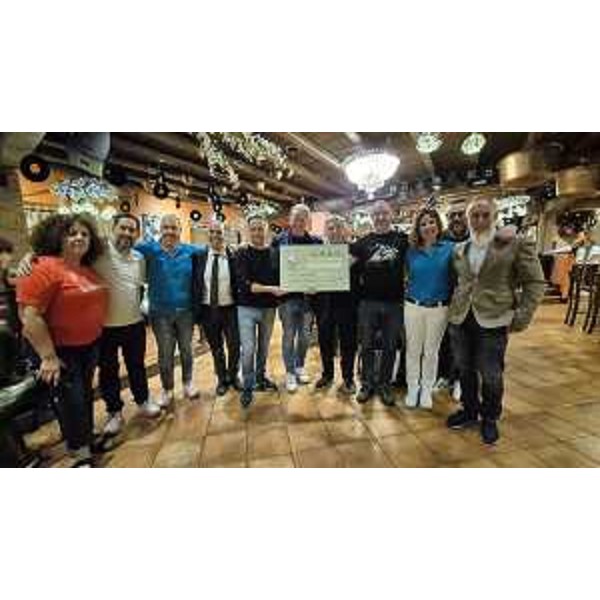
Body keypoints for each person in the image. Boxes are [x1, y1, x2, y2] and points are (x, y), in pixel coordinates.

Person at [446, 196, 545, 445]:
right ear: (468, 219)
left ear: (495, 217)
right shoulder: (459, 249)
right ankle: (469, 410)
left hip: (495, 319)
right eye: (474, 215)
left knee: (491, 374)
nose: (479, 220)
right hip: (460, 318)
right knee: (465, 370)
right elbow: (461, 282)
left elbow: (535, 282)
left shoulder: (515, 244)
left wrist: (522, 315)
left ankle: (490, 417)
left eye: (485, 215)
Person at [17, 214, 108, 467]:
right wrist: (48, 357)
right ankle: (80, 453)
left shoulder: (86, 268)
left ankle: (86, 438)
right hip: (59, 351)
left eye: (84, 234)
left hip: (88, 346)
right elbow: (30, 316)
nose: (79, 237)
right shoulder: (42, 267)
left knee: (85, 395)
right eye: (72, 233)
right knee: (71, 401)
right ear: (57, 236)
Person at [97, 214, 161, 437]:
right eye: (123, 228)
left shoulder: (138, 258)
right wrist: (31, 257)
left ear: (137, 234)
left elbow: (140, 286)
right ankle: (114, 411)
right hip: (104, 325)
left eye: (132, 230)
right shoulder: (98, 253)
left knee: (136, 365)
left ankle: (143, 400)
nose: (127, 233)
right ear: (112, 228)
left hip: (134, 322)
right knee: (108, 370)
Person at [135, 214, 201, 408]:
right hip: (160, 313)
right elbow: (128, 247)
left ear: (180, 230)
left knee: (187, 350)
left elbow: (210, 250)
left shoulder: (190, 251)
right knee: (165, 353)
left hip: (186, 312)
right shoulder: (149, 249)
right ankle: (167, 389)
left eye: (174, 228)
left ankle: (188, 382)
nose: (170, 231)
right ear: (160, 229)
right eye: (166, 227)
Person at [351, 200, 408, 406]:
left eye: (384, 213)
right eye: (376, 214)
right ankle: (367, 384)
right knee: (366, 345)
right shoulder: (362, 242)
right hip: (368, 303)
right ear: (371, 217)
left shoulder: (403, 240)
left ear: (391, 214)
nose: (380, 217)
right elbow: (342, 264)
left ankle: (385, 385)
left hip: (394, 304)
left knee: (390, 347)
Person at [404, 208, 454, 410]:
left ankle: (426, 388)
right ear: (418, 228)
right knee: (413, 351)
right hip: (413, 307)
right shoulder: (411, 251)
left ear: (438, 225)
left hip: (439, 309)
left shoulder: (450, 248)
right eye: (423, 224)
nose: (428, 227)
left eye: (431, 222)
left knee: (431, 352)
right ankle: (412, 388)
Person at [272, 203, 323, 393]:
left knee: (305, 336)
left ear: (307, 221)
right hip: (287, 299)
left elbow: (321, 270)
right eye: (296, 218)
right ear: (290, 219)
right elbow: (273, 267)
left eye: (303, 218)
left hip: (308, 299)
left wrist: (317, 285)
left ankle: (300, 366)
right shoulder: (279, 241)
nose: (299, 222)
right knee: (288, 336)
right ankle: (290, 372)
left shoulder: (316, 242)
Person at [235, 214, 284, 408]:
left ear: (267, 230)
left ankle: (261, 378)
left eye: (260, 228)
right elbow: (244, 285)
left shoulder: (274, 253)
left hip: (269, 309)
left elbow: (283, 277)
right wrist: (271, 289)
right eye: (253, 229)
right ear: (248, 231)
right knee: (248, 350)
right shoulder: (242, 253)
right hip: (246, 308)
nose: (257, 232)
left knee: (264, 348)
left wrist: (304, 285)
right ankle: (248, 386)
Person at [192, 219, 240, 397]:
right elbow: (195, 284)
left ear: (224, 234)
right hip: (208, 310)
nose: (215, 235)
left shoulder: (233, 256)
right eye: (212, 232)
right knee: (217, 348)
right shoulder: (199, 257)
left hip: (230, 309)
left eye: (218, 232)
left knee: (234, 345)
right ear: (207, 235)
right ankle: (222, 379)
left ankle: (233, 376)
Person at [314, 215, 360, 394]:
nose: (334, 231)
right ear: (326, 232)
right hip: (324, 304)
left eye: (337, 228)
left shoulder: (354, 250)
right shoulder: (319, 252)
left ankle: (348, 378)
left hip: (348, 305)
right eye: (330, 228)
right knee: (325, 340)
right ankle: (327, 375)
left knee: (348, 343)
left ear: (344, 230)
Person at [0, 237, 18, 381]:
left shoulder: (10, 277)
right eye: (3, 252)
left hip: (13, 332)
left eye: (8, 253)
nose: (9, 257)